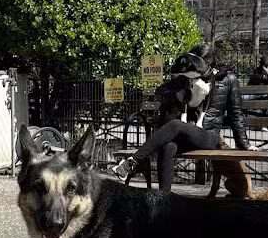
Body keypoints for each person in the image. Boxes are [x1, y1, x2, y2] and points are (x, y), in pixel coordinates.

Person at [111, 44, 258, 192]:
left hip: (208, 135)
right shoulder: (186, 77)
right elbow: (162, 91)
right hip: (184, 133)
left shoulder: (228, 79)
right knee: (167, 146)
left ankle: (133, 162)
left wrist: (244, 145)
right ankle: (164, 200)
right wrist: (177, 89)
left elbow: (236, 114)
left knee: (175, 125)